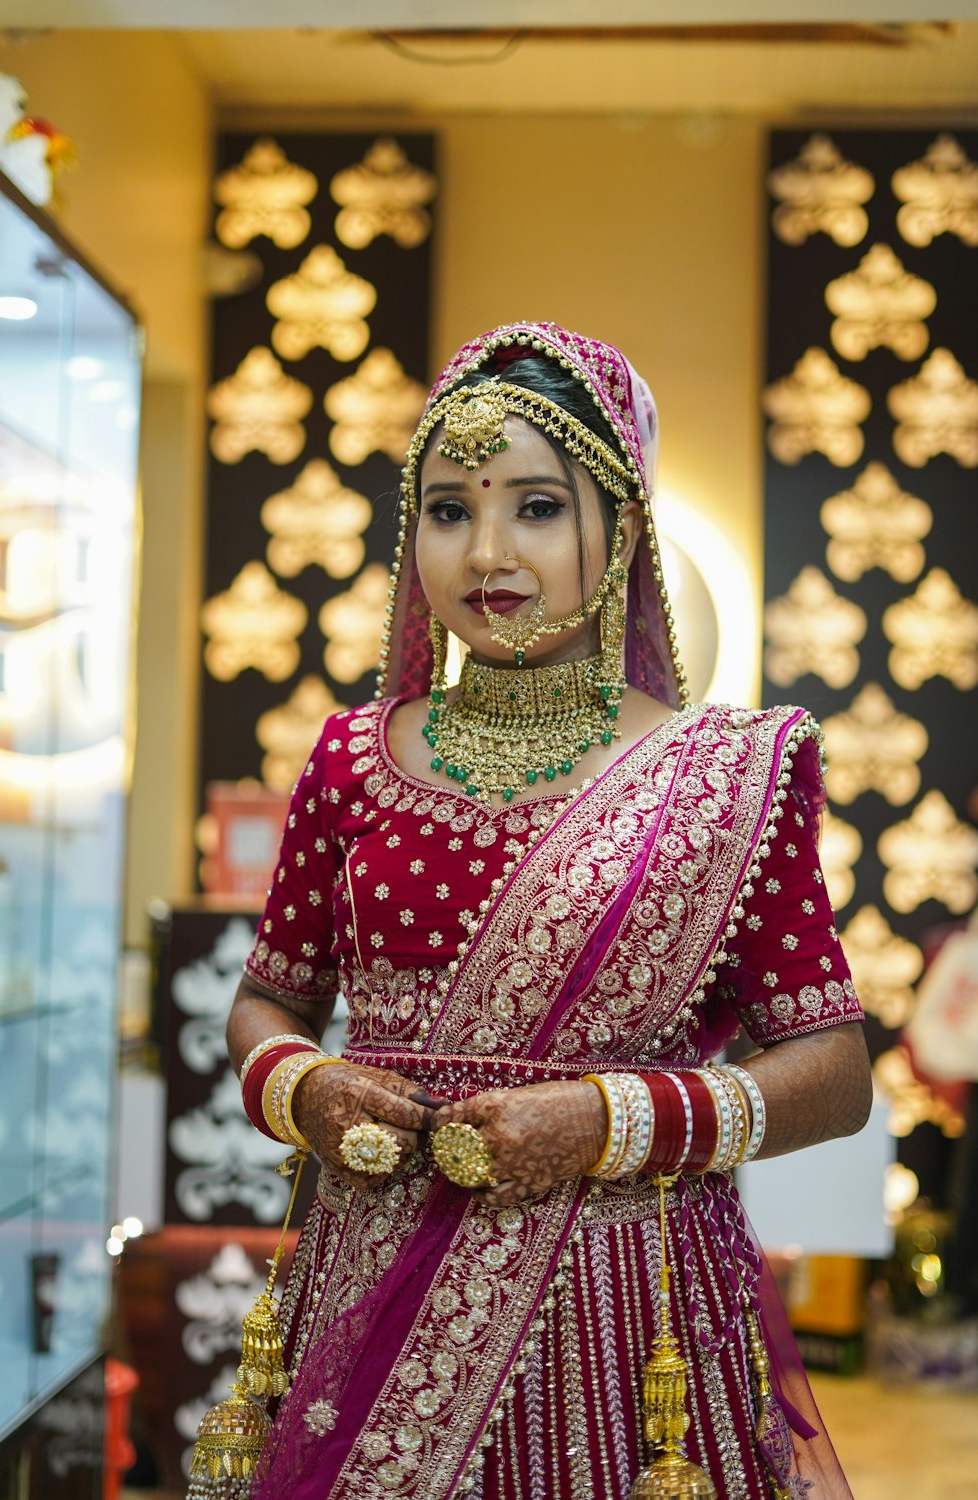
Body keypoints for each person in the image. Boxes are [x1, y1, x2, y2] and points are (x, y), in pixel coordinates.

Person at [212, 322, 872, 1500]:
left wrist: (612, 1120)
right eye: (450, 508)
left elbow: (830, 1068)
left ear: (617, 530)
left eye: (536, 505)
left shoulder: (728, 773)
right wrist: (305, 1087)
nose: (488, 552)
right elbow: (268, 1002)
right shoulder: (351, 758)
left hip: (626, 1323)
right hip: (368, 1295)